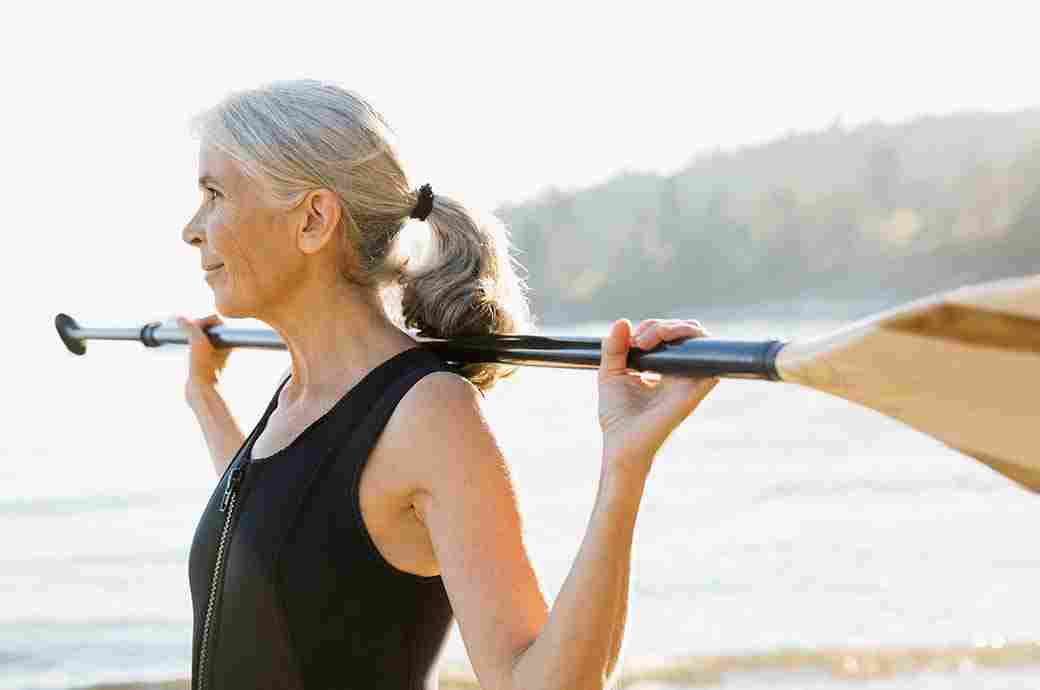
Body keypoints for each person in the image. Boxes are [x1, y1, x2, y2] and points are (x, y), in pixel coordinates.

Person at [177, 79, 718, 690]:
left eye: (214, 195)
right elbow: (280, 537)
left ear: (313, 219)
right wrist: (205, 399)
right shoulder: (297, 397)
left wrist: (625, 461)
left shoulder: (428, 414)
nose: (192, 229)